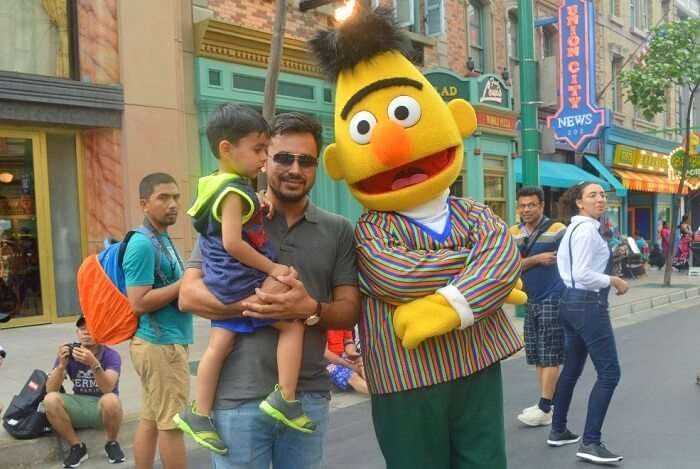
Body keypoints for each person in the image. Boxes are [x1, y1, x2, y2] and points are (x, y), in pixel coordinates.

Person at [178, 112, 360, 469]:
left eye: (305, 161)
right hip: (236, 397)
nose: (295, 169)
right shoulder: (232, 210)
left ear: (316, 166)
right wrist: (264, 305)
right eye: (283, 158)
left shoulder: (338, 229)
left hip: (305, 397)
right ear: (264, 160)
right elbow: (188, 296)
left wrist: (309, 307)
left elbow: (350, 309)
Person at [174, 104, 312, 454]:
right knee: (293, 321)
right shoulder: (235, 191)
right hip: (238, 278)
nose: (264, 159)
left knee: (219, 345)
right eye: (259, 150)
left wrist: (257, 204)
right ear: (226, 148)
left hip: (221, 281)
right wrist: (273, 270)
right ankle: (285, 395)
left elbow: (229, 224)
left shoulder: (215, 185)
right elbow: (234, 242)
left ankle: (199, 412)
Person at [548, 181, 629, 465]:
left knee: (572, 368)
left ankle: (558, 429)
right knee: (609, 373)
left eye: (602, 195)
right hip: (587, 303)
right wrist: (614, 279)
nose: (600, 199)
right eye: (592, 195)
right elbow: (582, 273)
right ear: (579, 202)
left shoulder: (573, 228)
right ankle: (591, 442)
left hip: (569, 302)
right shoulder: (586, 232)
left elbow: (568, 268)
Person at [123, 173, 190, 469]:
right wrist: (185, 283)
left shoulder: (160, 238)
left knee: (151, 420)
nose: (172, 204)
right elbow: (137, 302)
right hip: (159, 344)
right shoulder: (143, 244)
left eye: (175, 197)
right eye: (163, 198)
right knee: (172, 424)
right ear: (144, 204)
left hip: (162, 341)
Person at [510, 187, 566, 427]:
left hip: (554, 297)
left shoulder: (557, 230)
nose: (526, 210)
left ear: (542, 205)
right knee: (537, 354)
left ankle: (545, 405)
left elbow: (568, 260)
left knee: (550, 352)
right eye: (522, 206)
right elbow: (509, 267)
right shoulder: (512, 233)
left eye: (531, 205)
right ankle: (547, 404)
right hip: (530, 299)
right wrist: (535, 260)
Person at [44, 315, 125, 468]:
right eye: (82, 329)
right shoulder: (70, 353)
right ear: (77, 334)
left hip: (103, 408)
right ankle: (77, 446)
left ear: (101, 332)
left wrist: (94, 364)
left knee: (111, 399)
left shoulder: (111, 355)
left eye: (91, 329)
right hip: (79, 403)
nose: (86, 333)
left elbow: (108, 388)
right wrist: (61, 365)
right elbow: (50, 389)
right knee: (50, 399)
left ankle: (112, 443)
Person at [324, 329, 368, 394]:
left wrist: (352, 354)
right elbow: (325, 353)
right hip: (326, 362)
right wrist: (350, 365)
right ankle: (378, 394)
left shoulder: (345, 320)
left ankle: (380, 391)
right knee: (353, 376)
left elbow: (348, 341)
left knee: (363, 366)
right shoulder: (323, 323)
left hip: (342, 356)